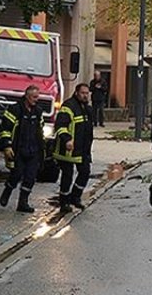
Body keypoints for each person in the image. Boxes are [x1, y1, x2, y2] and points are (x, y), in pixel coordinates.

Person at [0, 85, 46, 213]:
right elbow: (5, 128)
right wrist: (7, 145)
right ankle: (7, 190)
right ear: (27, 96)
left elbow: (40, 130)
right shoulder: (15, 109)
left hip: (33, 149)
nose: (36, 100)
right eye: (34, 97)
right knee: (16, 174)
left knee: (30, 177)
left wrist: (43, 149)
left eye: (38, 97)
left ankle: (23, 202)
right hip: (18, 149)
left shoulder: (38, 111)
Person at [54, 83, 95, 213]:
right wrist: (67, 139)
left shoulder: (87, 109)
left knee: (85, 172)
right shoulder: (68, 106)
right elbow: (60, 126)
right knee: (67, 175)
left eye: (87, 93)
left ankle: (75, 197)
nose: (85, 95)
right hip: (68, 149)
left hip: (82, 149)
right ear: (77, 93)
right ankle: (64, 202)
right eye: (83, 93)